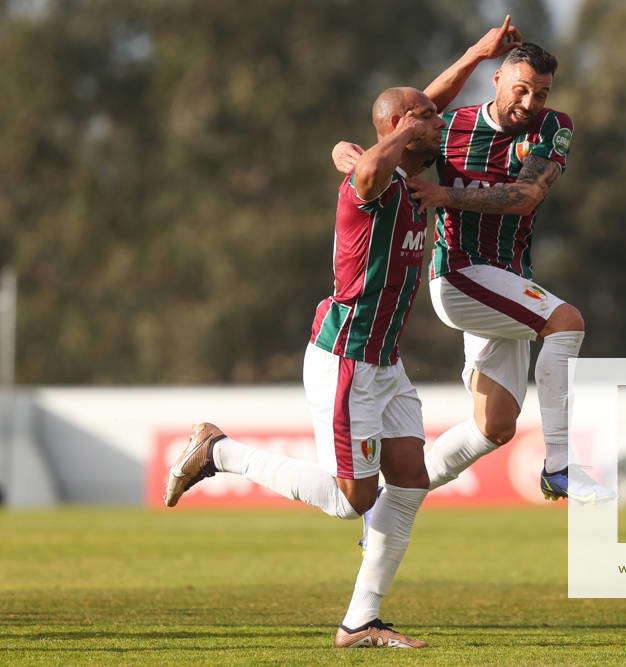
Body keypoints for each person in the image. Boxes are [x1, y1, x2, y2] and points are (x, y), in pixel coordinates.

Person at [165, 86, 444, 649]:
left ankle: (361, 622)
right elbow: (371, 159)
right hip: (348, 360)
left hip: (386, 362)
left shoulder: (411, 178)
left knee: (411, 477)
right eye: (427, 119)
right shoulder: (366, 186)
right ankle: (218, 451)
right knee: (352, 503)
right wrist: (397, 131)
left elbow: (412, 109)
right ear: (399, 127)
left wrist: (477, 53)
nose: (441, 123)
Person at [332, 18, 613, 505]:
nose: (530, 103)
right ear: (498, 79)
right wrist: (475, 53)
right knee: (566, 323)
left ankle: (386, 504)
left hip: (507, 281)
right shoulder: (453, 127)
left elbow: (526, 197)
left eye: (541, 94)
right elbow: (407, 115)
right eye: (521, 89)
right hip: (460, 275)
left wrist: (444, 194)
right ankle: (561, 466)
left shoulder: (554, 126)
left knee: (495, 426)